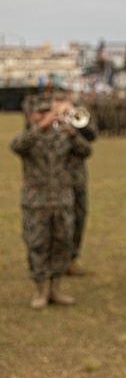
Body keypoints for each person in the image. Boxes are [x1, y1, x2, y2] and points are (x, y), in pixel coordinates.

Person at [9, 92, 92, 308]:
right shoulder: (29, 138)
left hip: (63, 201)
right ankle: (40, 291)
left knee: (61, 244)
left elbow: (86, 151)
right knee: (37, 245)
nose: (47, 115)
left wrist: (73, 134)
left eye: (49, 111)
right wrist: (41, 126)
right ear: (32, 116)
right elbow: (16, 146)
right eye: (42, 112)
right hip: (36, 203)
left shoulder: (63, 135)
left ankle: (56, 289)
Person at [59, 89, 98, 276]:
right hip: (53, 179)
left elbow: (92, 135)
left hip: (76, 177)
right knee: (57, 222)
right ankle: (55, 260)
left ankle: (71, 258)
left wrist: (74, 124)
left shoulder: (77, 113)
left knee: (78, 217)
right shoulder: (43, 117)